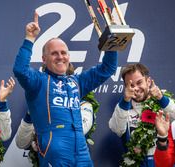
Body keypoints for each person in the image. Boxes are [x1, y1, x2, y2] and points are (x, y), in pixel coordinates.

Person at [13, 12, 118, 166]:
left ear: (69, 56)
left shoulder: (77, 81)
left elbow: (108, 68)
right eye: (54, 53)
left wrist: (112, 41)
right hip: (54, 149)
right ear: (44, 59)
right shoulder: (38, 82)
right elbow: (20, 70)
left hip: (81, 150)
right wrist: (29, 38)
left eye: (63, 53)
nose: (60, 57)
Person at [109, 63, 175, 167]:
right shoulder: (123, 107)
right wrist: (125, 100)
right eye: (131, 85)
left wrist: (161, 98)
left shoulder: (162, 101)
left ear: (148, 81)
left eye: (139, 82)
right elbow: (116, 128)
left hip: (161, 161)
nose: (136, 88)